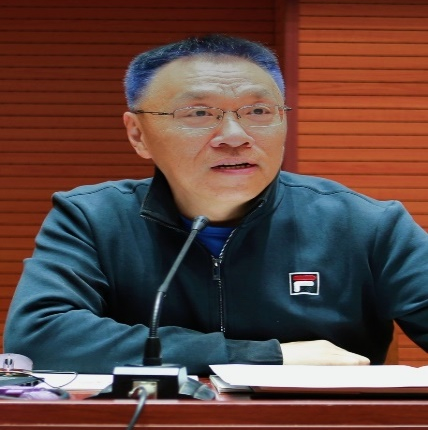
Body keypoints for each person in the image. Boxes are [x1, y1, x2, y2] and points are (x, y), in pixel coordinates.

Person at [4, 34, 428, 375]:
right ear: (138, 134)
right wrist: (266, 356)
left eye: (258, 110)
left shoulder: (366, 225)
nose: (234, 136)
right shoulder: (93, 218)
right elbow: (39, 338)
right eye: (199, 113)